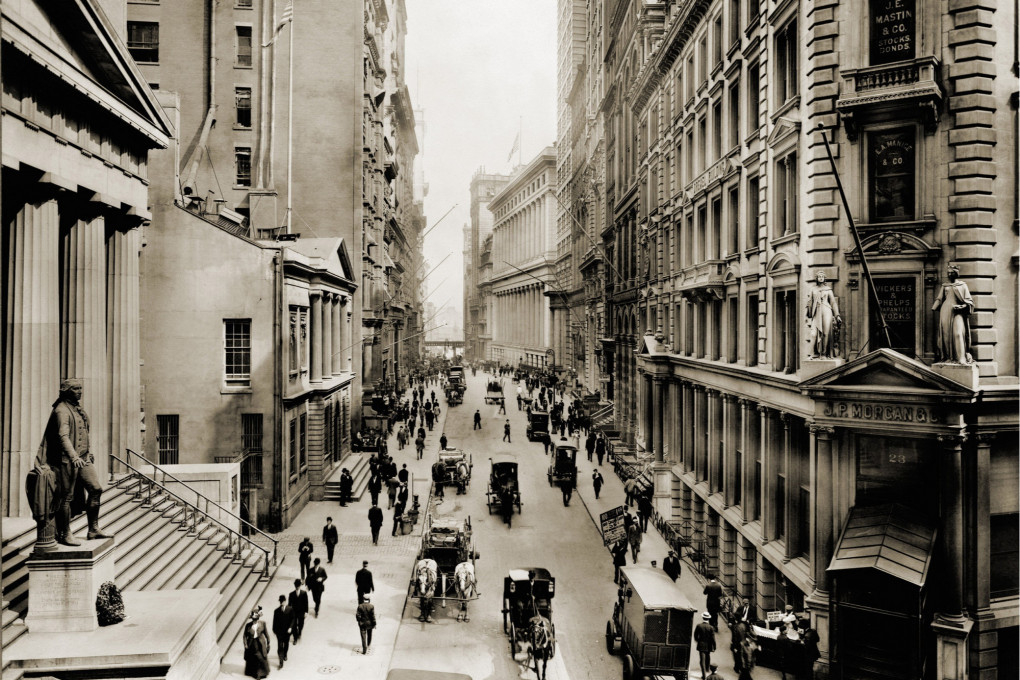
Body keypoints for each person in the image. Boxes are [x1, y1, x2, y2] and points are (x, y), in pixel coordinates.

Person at [43, 379, 109, 546]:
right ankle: (65, 533)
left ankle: (93, 529)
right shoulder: (61, 410)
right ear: (66, 391)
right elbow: (63, 436)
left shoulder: (76, 408)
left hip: (83, 458)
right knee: (66, 497)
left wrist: (88, 452)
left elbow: (84, 432)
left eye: (80, 388)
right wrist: (74, 456)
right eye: (75, 389)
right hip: (67, 460)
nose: (80, 391)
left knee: (96, 489)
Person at [932, 264, 975, 363]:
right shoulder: (945, 286)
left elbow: (969, 301)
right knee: (946, 335)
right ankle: (948, 357)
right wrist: (934, 306)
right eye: (949, 273)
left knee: (958, 333)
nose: (950, 275)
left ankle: (961, 358)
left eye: (952, 273)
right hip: (945, 310)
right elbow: (939, 298)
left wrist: (962, 306)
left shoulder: (962, 285)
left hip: (957, 312)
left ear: (956, 273)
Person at [805, 270, 841, 359]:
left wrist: (837, 315)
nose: (821, 278)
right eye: (819, 277)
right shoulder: (813, 289)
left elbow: (833, 302)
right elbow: (810, 302)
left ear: (824, 278)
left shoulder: (828, 289)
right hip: (816, 311)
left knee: (825, 333)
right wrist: (808, 311)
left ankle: (824, 353)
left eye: (822, 277)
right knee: (813, 334)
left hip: (826, 310)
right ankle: (812, 353)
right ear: (817, 278)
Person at [242, 606, 270, 678]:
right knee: (254, 658)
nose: (255, 621)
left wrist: (268, 643)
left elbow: (266, 634)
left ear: (258, 618)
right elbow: (244, 636)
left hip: (260, 643)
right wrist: (245, 644)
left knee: (261, 657)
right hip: (251, 643)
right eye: (253, 619)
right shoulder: (248, 626)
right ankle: (256, 673)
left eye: (256, 619)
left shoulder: (262, 624)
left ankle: (262, 673)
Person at [694, 611, 717, 679]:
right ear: (708, 619)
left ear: (702, 618)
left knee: (702, 660)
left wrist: (698, 641)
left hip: (701, 645)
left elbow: (695, 635)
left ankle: (704, 675)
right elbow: (713, 639)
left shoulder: (699, 626)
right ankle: (707, 669)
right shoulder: (711, 627)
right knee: (708, 656)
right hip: (709, 645)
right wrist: (714, 647)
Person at [271, 595, 292, 669]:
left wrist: (290, 627)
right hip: (279, 632)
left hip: (287, 632)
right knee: (280, 647)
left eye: (282, 601)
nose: (281, 603)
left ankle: (285, 654)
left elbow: (293, 619)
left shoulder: (290, 609)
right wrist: (274, 630)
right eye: (280, 601)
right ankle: (281, 662)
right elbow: (274, 621)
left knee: (286, 645)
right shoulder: (276, 611)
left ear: (285, 601)